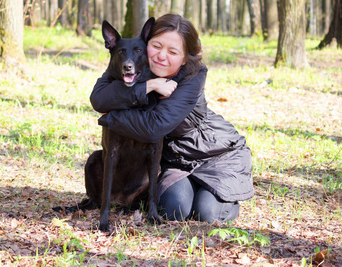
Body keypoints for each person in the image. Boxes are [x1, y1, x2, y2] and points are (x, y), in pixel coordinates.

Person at [90, 13, 254, 223]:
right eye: (156, 46)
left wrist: (110, 118)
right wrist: (149, 85)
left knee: (206, 214)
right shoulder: (132, 62)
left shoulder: (193, 77)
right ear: (146, 42)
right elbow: (99, 98)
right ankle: (193, 188)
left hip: (215, 156)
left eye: (173, 51)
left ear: (185, 57)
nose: (161, 56)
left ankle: (217, 194)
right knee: (172, 209)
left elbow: (154, 128)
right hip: (177, 161)